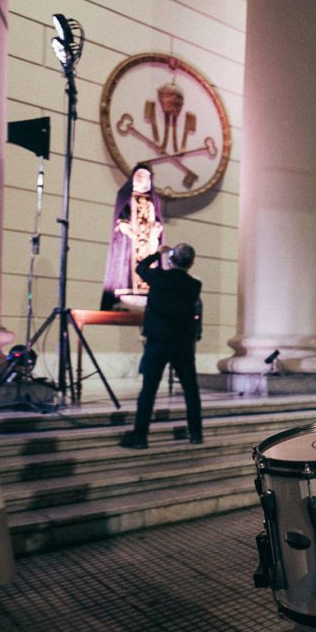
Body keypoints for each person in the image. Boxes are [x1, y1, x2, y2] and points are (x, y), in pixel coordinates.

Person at [120, 244, 203, 449]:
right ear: (191, 263)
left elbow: (140, 268)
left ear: (171, 260)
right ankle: (196, 434)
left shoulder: (158, 277)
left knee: (149, 390)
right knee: (191, 390)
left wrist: (158, 254)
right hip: (183, 344)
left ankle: (140, 437)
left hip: (158, 342)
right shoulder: (194, 285)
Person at [101, 164, 164, 310]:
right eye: (140, 176)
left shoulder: (153, 199)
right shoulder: (126, 196)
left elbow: (157, 219)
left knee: (149, 267)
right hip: (131, 241)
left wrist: (156, 229)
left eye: (147, 177)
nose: (143, 179)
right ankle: (126, 293)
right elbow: (121, 216)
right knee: (130, 265)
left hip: (148, 242)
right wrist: (125, 227)